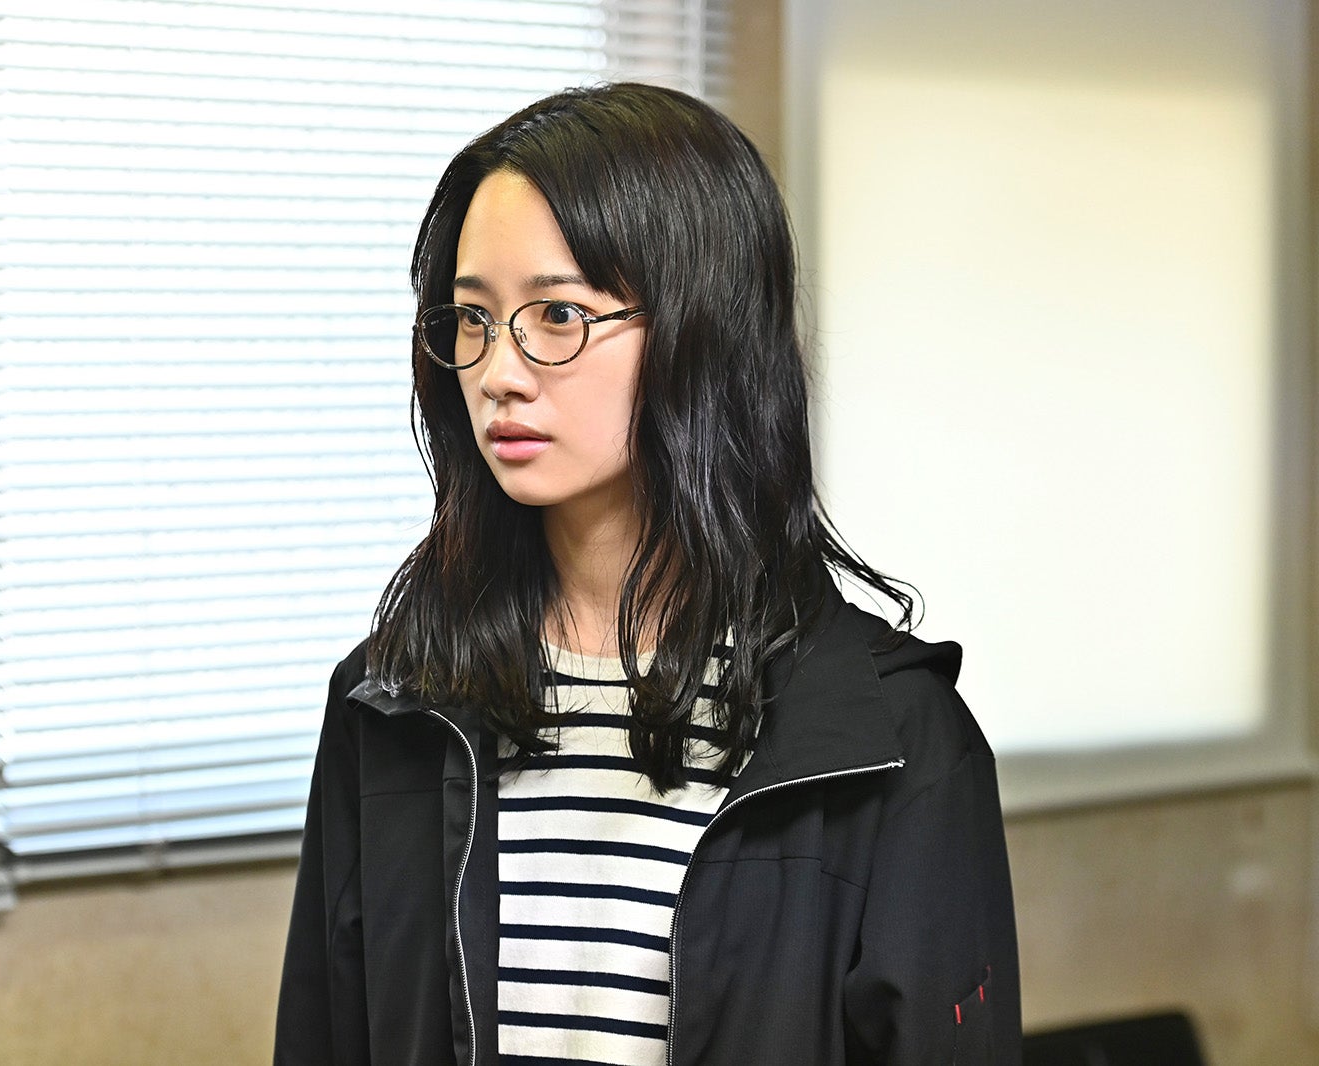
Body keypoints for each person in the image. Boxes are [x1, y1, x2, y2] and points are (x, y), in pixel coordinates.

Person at [274, 82, 1019, 1066]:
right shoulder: (391, 705)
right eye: (472, 317)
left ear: (703, 331)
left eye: (558, 314)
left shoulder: (899, 745)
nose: (497, 372)